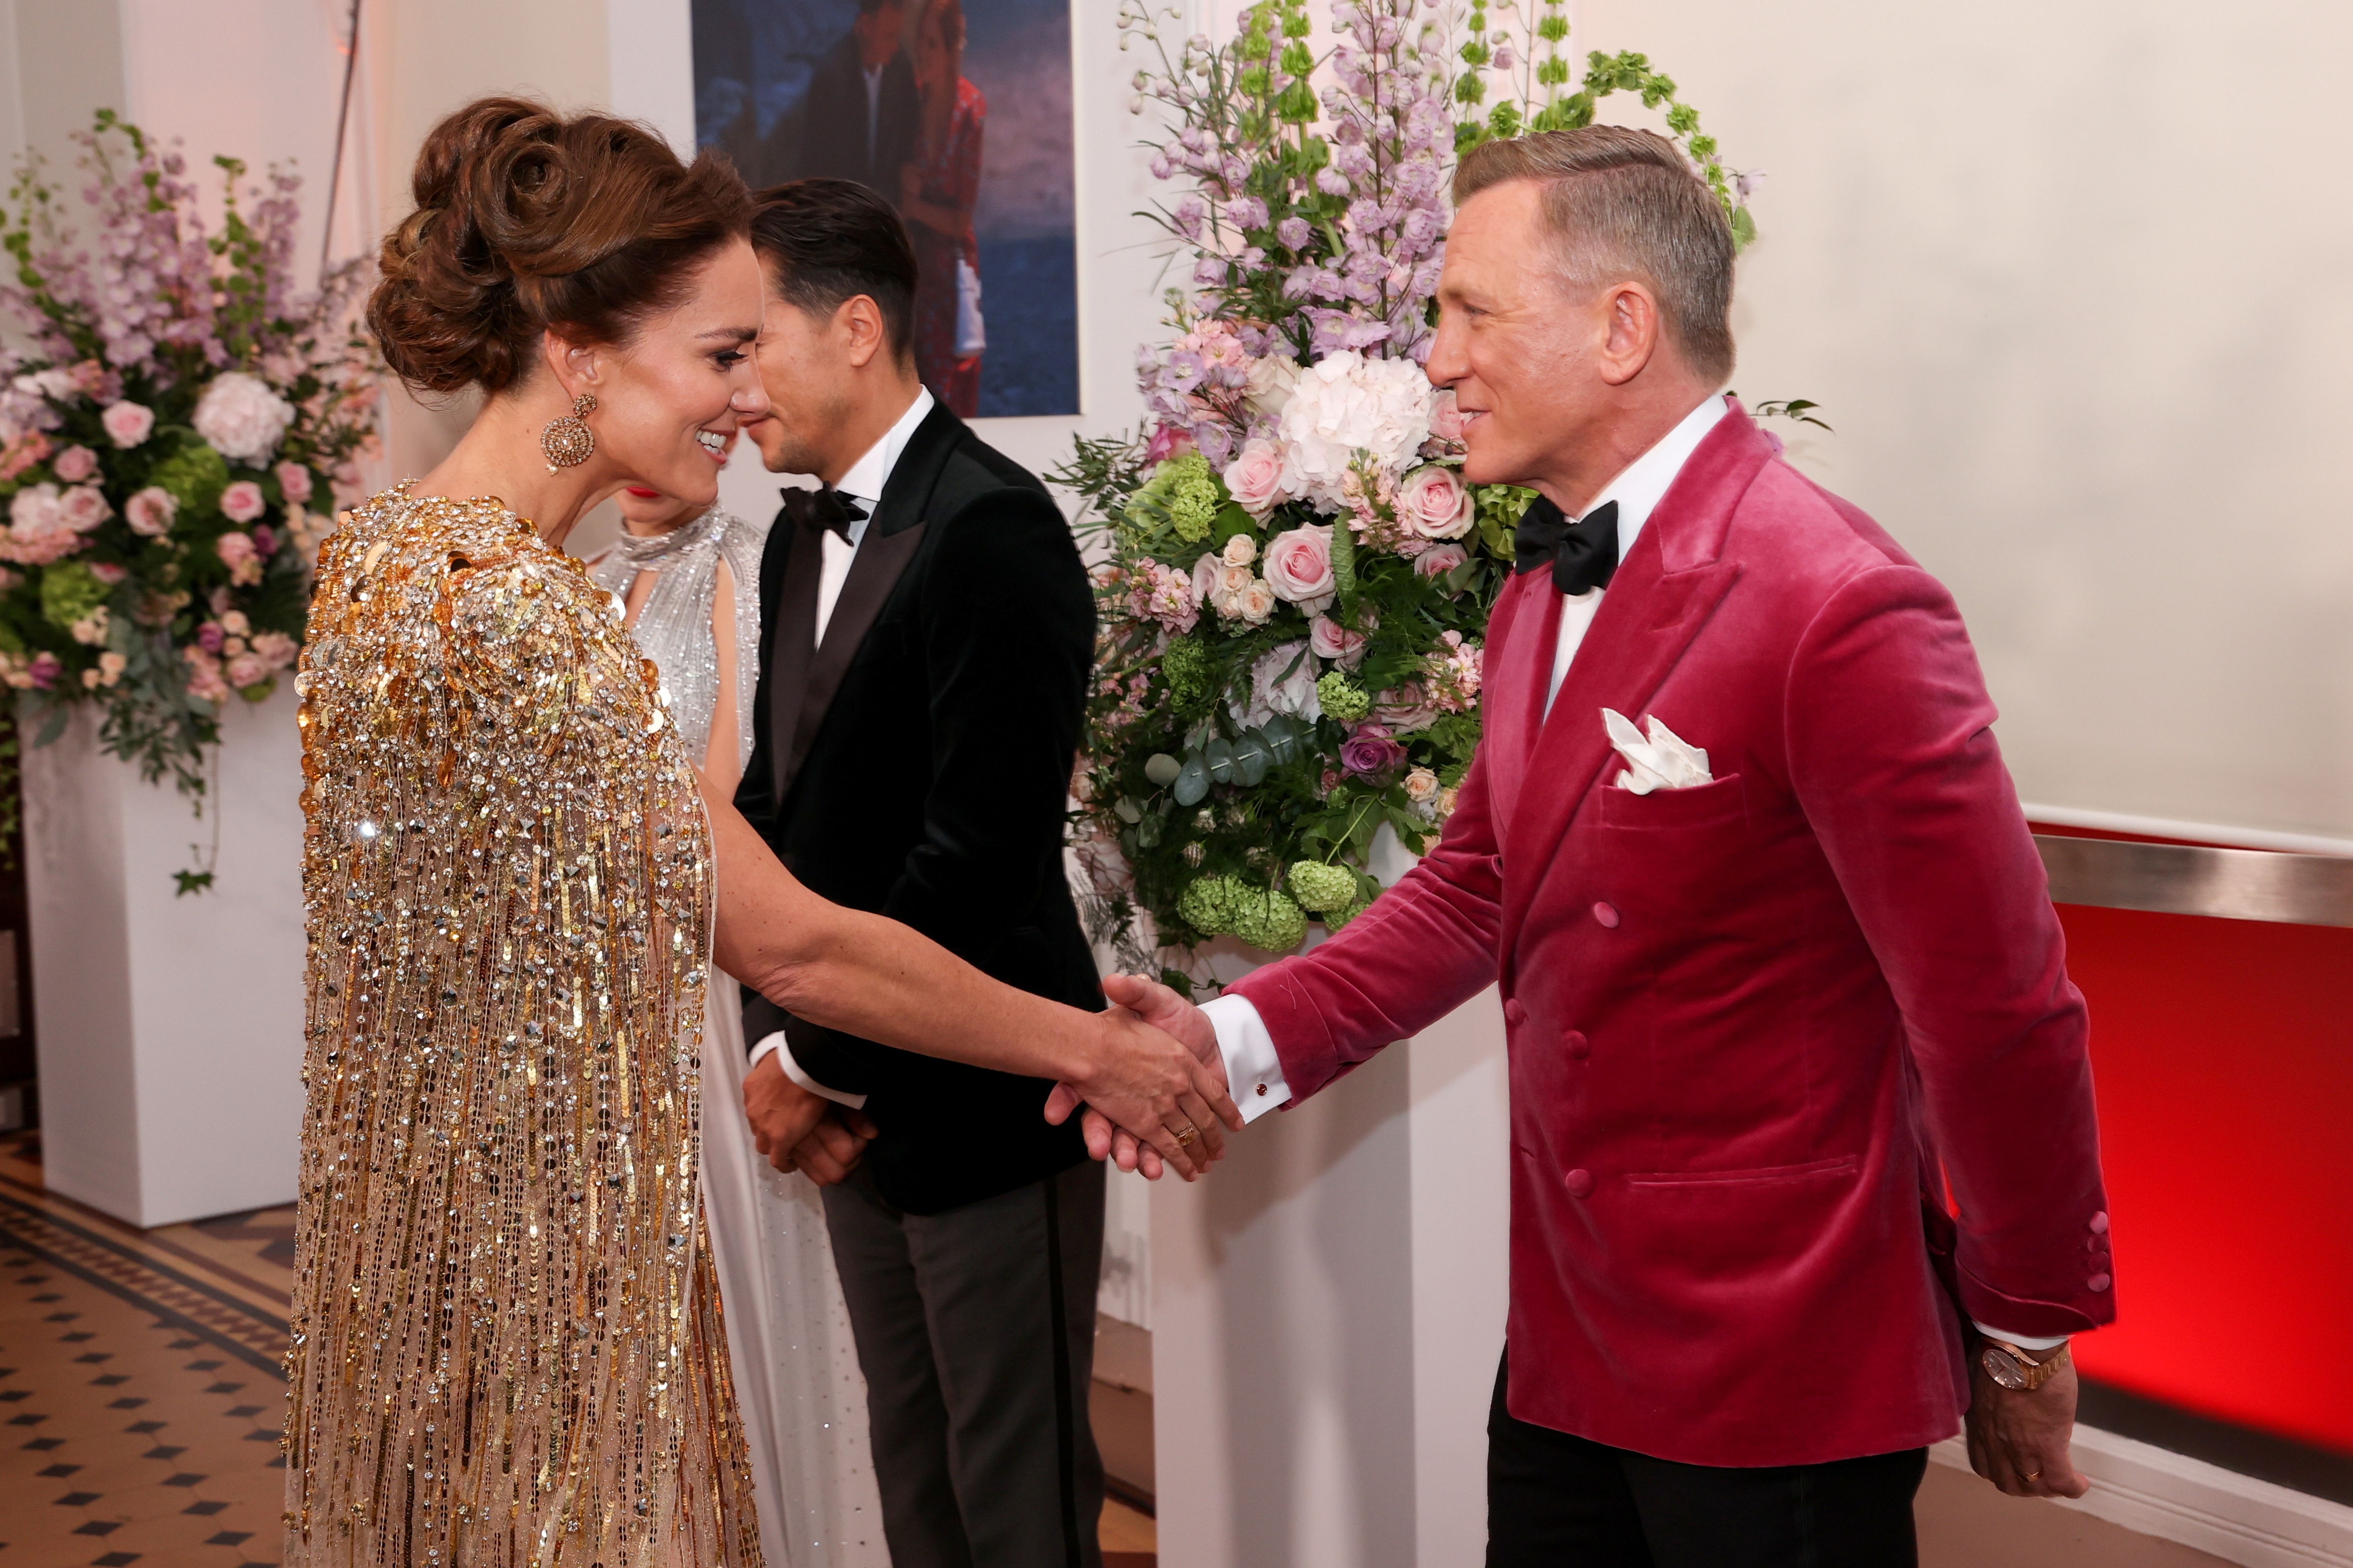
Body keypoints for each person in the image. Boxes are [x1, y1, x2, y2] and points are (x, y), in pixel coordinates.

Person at [1081, 126, 2115, 1566]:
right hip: (1568, 1340)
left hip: (1775, 1367)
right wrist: (1226, 1040)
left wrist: (2019, 1328)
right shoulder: (1531, 586)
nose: (1435, 360)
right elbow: (1476, 886)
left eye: (1469, 311)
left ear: (1622, 325)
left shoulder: (1839, 603)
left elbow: (1994, 1008)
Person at [284, 98, 1234, 1568]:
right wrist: (1097, 1047)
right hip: (554, 1270)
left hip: (429, 1249)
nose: (742, 397)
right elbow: (790, 936)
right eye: (720, 353)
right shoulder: (523, 621)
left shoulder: (383, 558)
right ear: (579, 347)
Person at [729, 178, 1109, 1568]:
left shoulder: (994, 526)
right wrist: (777, 1042)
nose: (731, 381)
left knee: (1018, 1508)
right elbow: (765, 816)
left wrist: (810, 1060)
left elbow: (979, 853)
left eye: (746, 339)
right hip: (847, 1109)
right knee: (916, 1482)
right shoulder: (787, 533)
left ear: (852, 327)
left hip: (988, 1108)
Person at [590, 459, 888, 1567]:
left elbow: (726, 812)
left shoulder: (750, 569)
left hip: (707, 995)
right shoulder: (590, 578)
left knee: (733, 1306)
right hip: (604, 1005)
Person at [899, 0, 984, 414]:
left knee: (951, 393)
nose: (922, 52)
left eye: (932, 43)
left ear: (952, 49)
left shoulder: (970, 107)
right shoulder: (907, 99)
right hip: (909, 271)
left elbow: (960, 220)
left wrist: (911, 205)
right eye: (920, 41)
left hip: (950, 276)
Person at [785, 0, 921, 207]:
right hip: (842, 210)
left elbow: (908, 137)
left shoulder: (901, 68)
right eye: (888, 36)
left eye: (897, 36)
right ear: (865, 26)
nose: (895, 46)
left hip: (888, 209)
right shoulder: (832, 78)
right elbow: (821, 163)